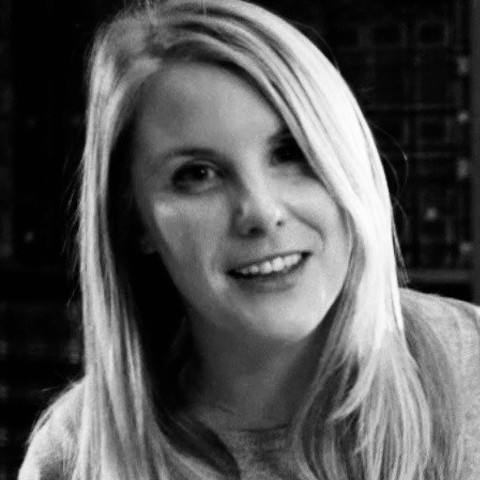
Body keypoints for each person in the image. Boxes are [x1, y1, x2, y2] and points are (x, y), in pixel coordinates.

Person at [18, 0, 480, 479]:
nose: (261, 211)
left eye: (291, 152)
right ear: (136, 222)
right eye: (197, 174)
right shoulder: (75, 455)